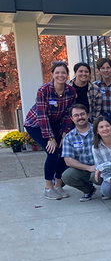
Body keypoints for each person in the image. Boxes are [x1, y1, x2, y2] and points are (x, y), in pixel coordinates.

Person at [23, 61, 76, 200]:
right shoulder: (44, 90)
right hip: (36, 125)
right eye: (57, 72)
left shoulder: (71, 91)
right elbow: (42, 115)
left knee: (64, 151)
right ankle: (48, 188)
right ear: (52, 74)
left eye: (63, 72)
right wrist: (50, 138)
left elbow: (67, 114)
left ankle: (58, 185)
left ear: (67, 75)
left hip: (56, 124)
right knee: (53, 153)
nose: (60, 75)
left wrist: (64, 134)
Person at [60, 104, 98, 201]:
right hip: (83, 170)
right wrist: (88, 168)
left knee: (101, 182)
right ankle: (88, 190)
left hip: (100, 168)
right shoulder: (69, 137)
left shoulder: (98, 131)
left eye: (82, 114)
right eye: (76, 115)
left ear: (87, 115)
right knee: (67, 176)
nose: (80, 117)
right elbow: (68, 160)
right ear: (72, 118)